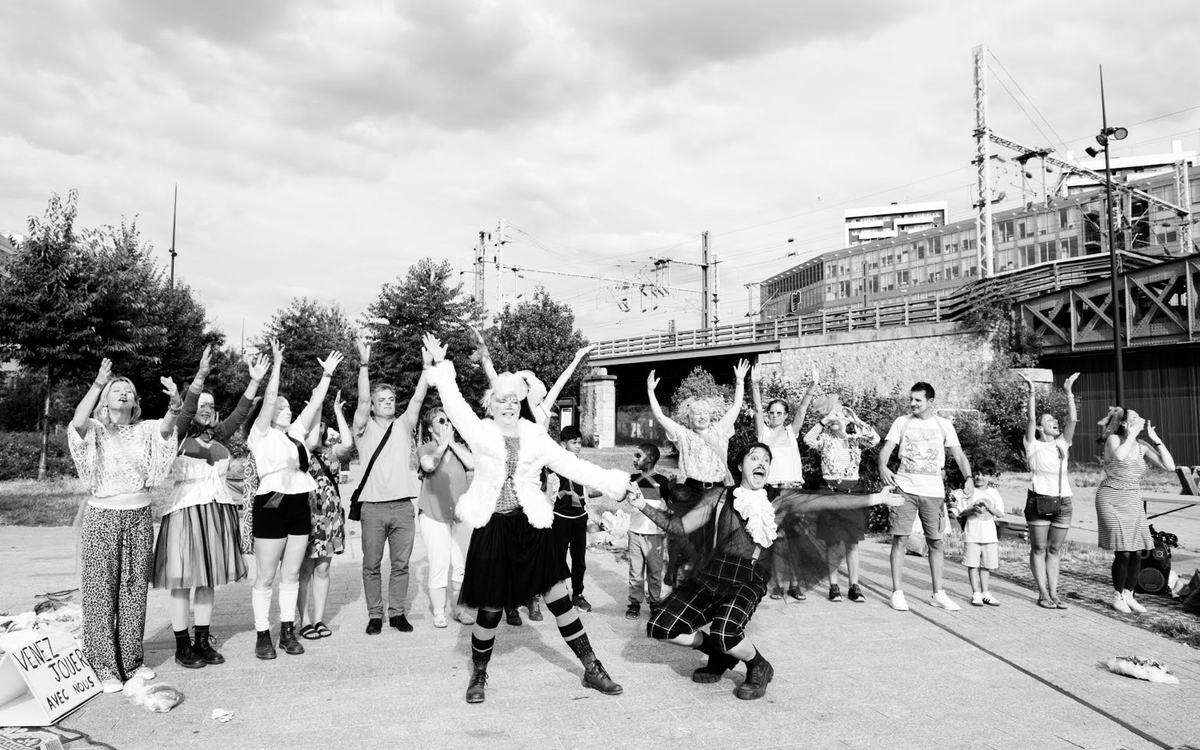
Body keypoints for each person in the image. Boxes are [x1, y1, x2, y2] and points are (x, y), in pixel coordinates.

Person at [421, 333, 632, 705]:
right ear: (491, 403)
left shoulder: (537, 436)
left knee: (558, 599)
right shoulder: (480, 431)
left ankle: (592, 667)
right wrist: (439, 368)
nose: (508, 405)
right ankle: (479, 674)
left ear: (520, 402)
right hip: (493, 527)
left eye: (514, 400)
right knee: (488, 608)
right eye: (501, 400)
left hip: (530, 526)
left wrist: (617, 483)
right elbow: (452, 403)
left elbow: (575, 466)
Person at [629, 443, 902, 700]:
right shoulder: (719, 496)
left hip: (749, 575)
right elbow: (678, 527)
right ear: (740, 465)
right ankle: (718, 652)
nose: (762, 464)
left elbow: (826, 501)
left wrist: (877, 497)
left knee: (727, 632)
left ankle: (758, 665)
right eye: (754, 458)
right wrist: (642, 505)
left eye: (766, 460)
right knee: (660, 626)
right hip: (712, 572)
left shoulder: (779, 500)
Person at [68, 359, 180, 692]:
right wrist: (99, 382)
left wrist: (175, 403)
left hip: (139, 516)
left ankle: (131, 662)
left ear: (135, 403)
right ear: (105, 400)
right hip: (103, 516)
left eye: (128, 391)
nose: (123, 394)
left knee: (133, 591)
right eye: (117, 390)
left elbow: (166, 430)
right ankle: (104, 666)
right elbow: (77, 423)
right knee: (101, 591)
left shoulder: (144, 431)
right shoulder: (96, 430)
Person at [153, 346, 268, 669]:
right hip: (185, 513)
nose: (206, 410)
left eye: (211, 406)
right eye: (203, 404)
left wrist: (254, 382)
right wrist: (200, 377)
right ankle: (181, 644)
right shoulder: (178, 436)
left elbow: (241, 413)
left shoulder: (220, 438)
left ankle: (202, 639)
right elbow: (186, 410)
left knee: (206, 582)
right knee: (182, 581)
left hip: (215, 512)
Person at [244, 339, 343, 659]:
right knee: (266, 575)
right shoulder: (261, 434)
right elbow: (270, 399)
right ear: (268, 413)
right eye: (281, 408)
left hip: (299, 501)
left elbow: (315, 404)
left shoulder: (296, 435)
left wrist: (326, 376)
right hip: (271, 501)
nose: (286, 411)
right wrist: (276, 365)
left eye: (288, 408)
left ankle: (288, 631)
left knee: (290, 574)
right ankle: (263, 635)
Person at [646, 360, 750, 586]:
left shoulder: (720, 430)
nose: (701, 416)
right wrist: (650, 392)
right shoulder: (683, 434)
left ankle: (708, 574)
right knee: (682, 533)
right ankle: (676, 570)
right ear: (689, 418)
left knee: (715, 535)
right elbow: (661, 418)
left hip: (717, 490)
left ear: (710, 415)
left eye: (704, 413)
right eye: (696, 414)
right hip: (690, 489)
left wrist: (740, 382)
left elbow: (735, 408)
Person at [353, 338, 429, 635]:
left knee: (401, 564)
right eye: (381, 399)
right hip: (372, 508)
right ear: (373, 405)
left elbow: (418, 400)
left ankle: (396, 613)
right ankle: (375, 614)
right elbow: (360, 401)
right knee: (371, 565)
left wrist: (426, 368)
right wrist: (363, 365)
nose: (388, 403)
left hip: (402, 507)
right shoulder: (364, 427)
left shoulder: (404, 424)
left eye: (391, 399)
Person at [877, 382, 974, 612]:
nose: (912, 403)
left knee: (936, 542)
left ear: (931, 402)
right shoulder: (902, 422)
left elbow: (958, 455)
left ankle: (938, 592)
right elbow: (887, 449)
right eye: (911, 399)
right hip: (904, 488)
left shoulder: (944, 425)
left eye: (918, 400)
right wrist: (882, 466)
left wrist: (968, 477)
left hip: (933, 492)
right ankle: (897, 592)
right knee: (900, 539)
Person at [1096, 407, 1176, 614]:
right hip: (1111, 498)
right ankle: (1117, 596)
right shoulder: (1114, 439)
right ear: (1123, 423)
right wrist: (1132, 434)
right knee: (1123, 551)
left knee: (1137, 551)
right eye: (1135, 418)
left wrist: (1155, 438)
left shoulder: (1141, 445)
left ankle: (1129, 595)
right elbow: (1120, 458)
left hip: (1132, 499)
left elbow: (1169, 466)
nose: (1140, 419)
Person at [750, 363, 817, 602]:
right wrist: (755, 385)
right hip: (771, 491)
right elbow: (757, 409)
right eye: (772, 412)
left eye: (780, 412)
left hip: (792, 490)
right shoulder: (764, 433)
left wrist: (811, 386)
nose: (775, 415)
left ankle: (795, 585)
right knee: (775, 539)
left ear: (785, 416)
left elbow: (802, 409)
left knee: (796, 538)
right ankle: (777, 584)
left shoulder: (791, 431)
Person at [803, 405, 880, 603]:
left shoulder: (855, 440)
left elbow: (875, 439)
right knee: (832, 541)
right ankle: (834, 585)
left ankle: (854, 586)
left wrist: (856, 420)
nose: (838, 417)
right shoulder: (825, 439)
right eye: (835, 414)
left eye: (842, 415)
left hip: (852, 493)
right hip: (830, 493)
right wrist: (825, 419)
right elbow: (807, 439)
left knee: (852, 542)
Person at [296, 390, 355, 640]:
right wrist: (317, 405)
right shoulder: (299, 449)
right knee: (305, 571)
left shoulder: (330, 452)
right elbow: (308, 442)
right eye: (314, 423)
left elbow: (349, 444)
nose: (318, 428)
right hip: (306, 516)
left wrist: (338, 412)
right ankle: (304, 620)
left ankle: (319, 619)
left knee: (322, 570)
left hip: (329, 518)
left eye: (321, 424)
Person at [1019, 372, 1079, 609]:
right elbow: (1031, 418)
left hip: (1064, 502)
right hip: (1039, 501)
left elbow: (1072, 420)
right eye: (1049, 420)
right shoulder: (1032, 444)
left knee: (1054, 549)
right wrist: (1032, 391)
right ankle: (1042, 593)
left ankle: (1054, 593)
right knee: (1039, 548)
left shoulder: (1062, 443)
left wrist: (1069, 394)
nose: (1054, 421)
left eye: (1055, 419)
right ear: (1041, 428)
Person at [417, 406, 477, 628]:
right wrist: (442, 445)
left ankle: (459, 609)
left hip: (460, 516)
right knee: (439, 564)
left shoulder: (460, 448)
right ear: (431, 427)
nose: (446, 424)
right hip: (434, 515)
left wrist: (451, 444)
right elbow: (428, 465)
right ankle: (439, 612)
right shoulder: (426, 448)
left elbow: (473, 464)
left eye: (448, 420)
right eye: (440, 421)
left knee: (461, 564)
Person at [549, 425, 604, 612]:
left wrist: (605, 489)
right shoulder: (555, 465)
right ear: (563, 444)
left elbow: (588, 491)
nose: (578, 445)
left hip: (580, 518)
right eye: (574, 443)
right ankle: (559, 593)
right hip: (560, 518)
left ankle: (578, 594)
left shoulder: (582, 465)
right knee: (559, 557)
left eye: (580, 442)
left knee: (579, 559)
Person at [951, 459, 1003, 607]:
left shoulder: (993, 493)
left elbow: (1000, 513)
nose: (980, 477)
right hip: (972, 534)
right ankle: (976, 593)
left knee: (986, 565)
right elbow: (960, 512)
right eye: (977, 474)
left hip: (989, 536)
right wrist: (973, 510)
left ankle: (986, 592)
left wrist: (988, 508)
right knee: (972, 565)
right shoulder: (969, 492)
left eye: (984, 474)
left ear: (991, 476)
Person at [626, 443, 669, 620]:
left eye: (638, 456)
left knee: (655, 571)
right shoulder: (632, 479)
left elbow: (667, 508)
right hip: (635, 533)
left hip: (655, 536)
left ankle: (655, 603)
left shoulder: (663, 482)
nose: (634, 460)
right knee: (635, 571)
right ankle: (634, 603)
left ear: (650, 459)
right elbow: (619, 494)